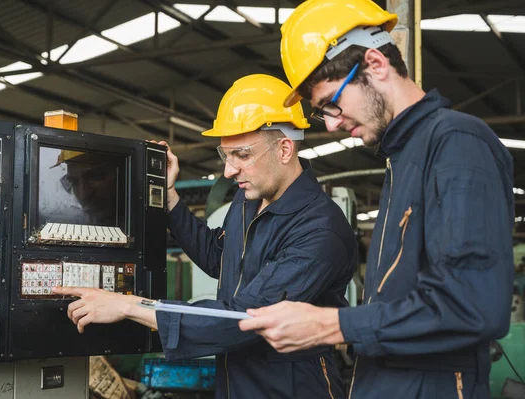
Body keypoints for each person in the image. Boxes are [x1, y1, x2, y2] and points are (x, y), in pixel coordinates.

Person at [239, 1, 515, 398]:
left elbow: (472, 305)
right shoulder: (401, 158)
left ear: (375, 64)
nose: (332, 123)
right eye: (323, 113)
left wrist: (332, 325)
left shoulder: (456, 143)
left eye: (332, 102)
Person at [53, 74, 358, 398]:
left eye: (241, 155)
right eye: (225, 155)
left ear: (284, 148)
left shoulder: (320, 230)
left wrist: (131, 306)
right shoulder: (248, 199)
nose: (229, 171)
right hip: (236, 382)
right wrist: (169, 198)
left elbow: (248, 316)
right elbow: (220, 257)